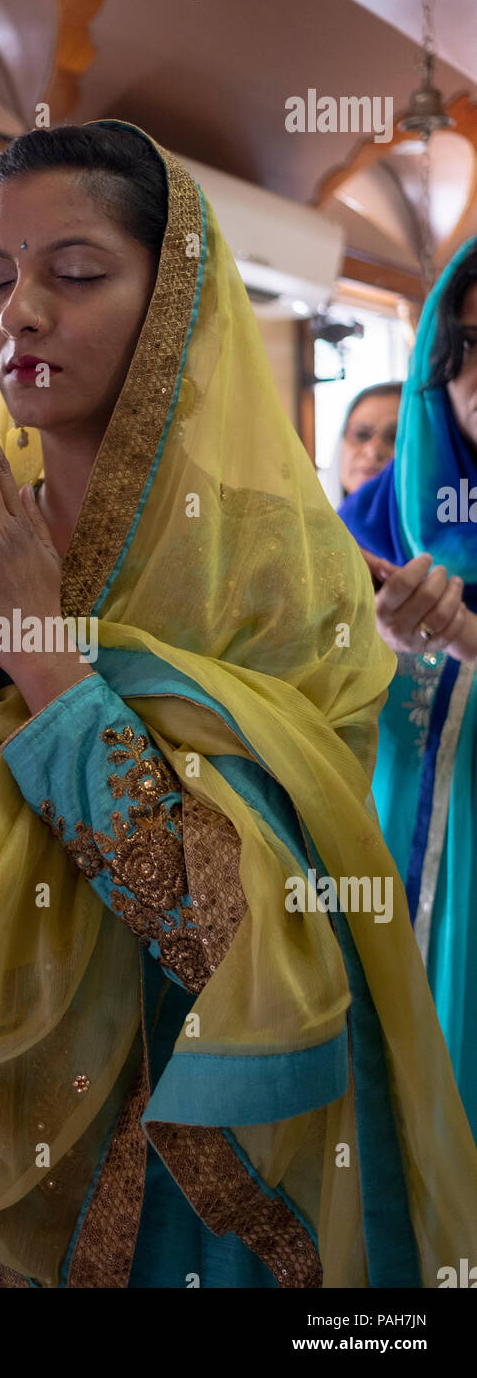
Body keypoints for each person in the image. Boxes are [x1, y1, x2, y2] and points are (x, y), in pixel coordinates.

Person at [0, 122, 477, 1290]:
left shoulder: (279, 575)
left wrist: (41, 658)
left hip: (185, 1158)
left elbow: (233, 937)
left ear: (170, 300)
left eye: (74, 274)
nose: (19, 312)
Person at [340, 237, 477, 1142]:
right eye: (469, 348)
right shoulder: (376, 520)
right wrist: (371, 644)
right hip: (388, 856)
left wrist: (467, 636)